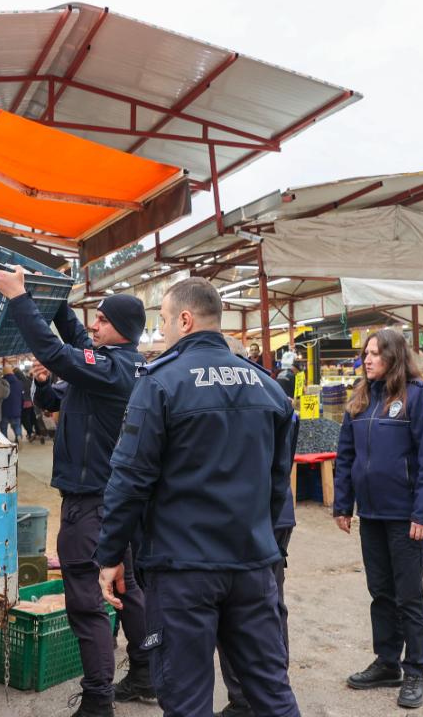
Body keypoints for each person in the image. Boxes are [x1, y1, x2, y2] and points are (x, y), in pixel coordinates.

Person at [96, 278, 299, 717]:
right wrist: (266, 543)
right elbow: (279, 482)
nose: (164, 331)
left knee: (186, 699)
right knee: (271, 691)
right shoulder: (268, 387)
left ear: (185, 320)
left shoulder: (160, 383)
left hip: (183, 570)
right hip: (252, 565)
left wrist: (110, 554)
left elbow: (130, 479)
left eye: (166, 322)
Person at [0, 266, 153, 717]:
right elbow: (70, 355)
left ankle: (98, 699)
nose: (93, 325)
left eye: (102, 319)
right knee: (128, 586)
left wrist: (21, 297)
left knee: (86, 599)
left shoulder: (113, 368)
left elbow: (57, 351)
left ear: (122, 329)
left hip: (92, 503)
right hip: (118, 501)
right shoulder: (120, 364)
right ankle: (146, 673)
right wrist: (54, 298)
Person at [333, 328, 423, 710]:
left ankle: (415, 671)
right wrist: (343, 505)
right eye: (366, 353)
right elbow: (345, 456)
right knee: (381, 593)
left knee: (408, 596)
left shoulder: (419, 398)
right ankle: (387, 662)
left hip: (405, 517)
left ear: (394, 357)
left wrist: (421, 514)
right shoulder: (360, 400)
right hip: (372, 515)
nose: (367, 359)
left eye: (376, 354)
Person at [215, 335, 298, 717]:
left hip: (257, 520)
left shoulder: (247, 396)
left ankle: (253, 694)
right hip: (267, 517)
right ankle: (255, 691)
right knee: (264, 603)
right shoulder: (270, 393)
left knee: (255, 606)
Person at [0, 362, 24, 443]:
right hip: (16, 408)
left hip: (4, 409)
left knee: (3, 427)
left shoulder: (1, 382)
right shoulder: (19, 383)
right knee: (17, 426)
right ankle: (18, 435)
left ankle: (5, 441)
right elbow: (21, 397)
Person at [17, 363, 38, 442]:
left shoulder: (19, 382)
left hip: (24, 404)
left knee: (25, 420)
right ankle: (33, 432)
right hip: (31, 402)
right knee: (31, 418)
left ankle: (30, 433)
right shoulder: (27, 380)